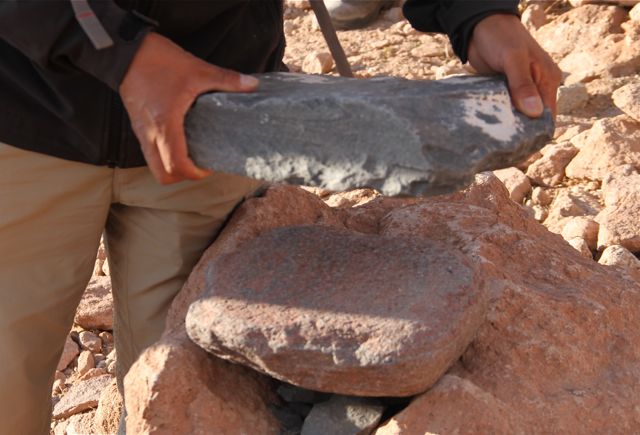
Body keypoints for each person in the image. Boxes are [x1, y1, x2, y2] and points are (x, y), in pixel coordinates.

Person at [0, 1, 561, 433]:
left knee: (185, 391)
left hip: (214, 118)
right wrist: (118, 50)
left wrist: (479, 12)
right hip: (22, 114)